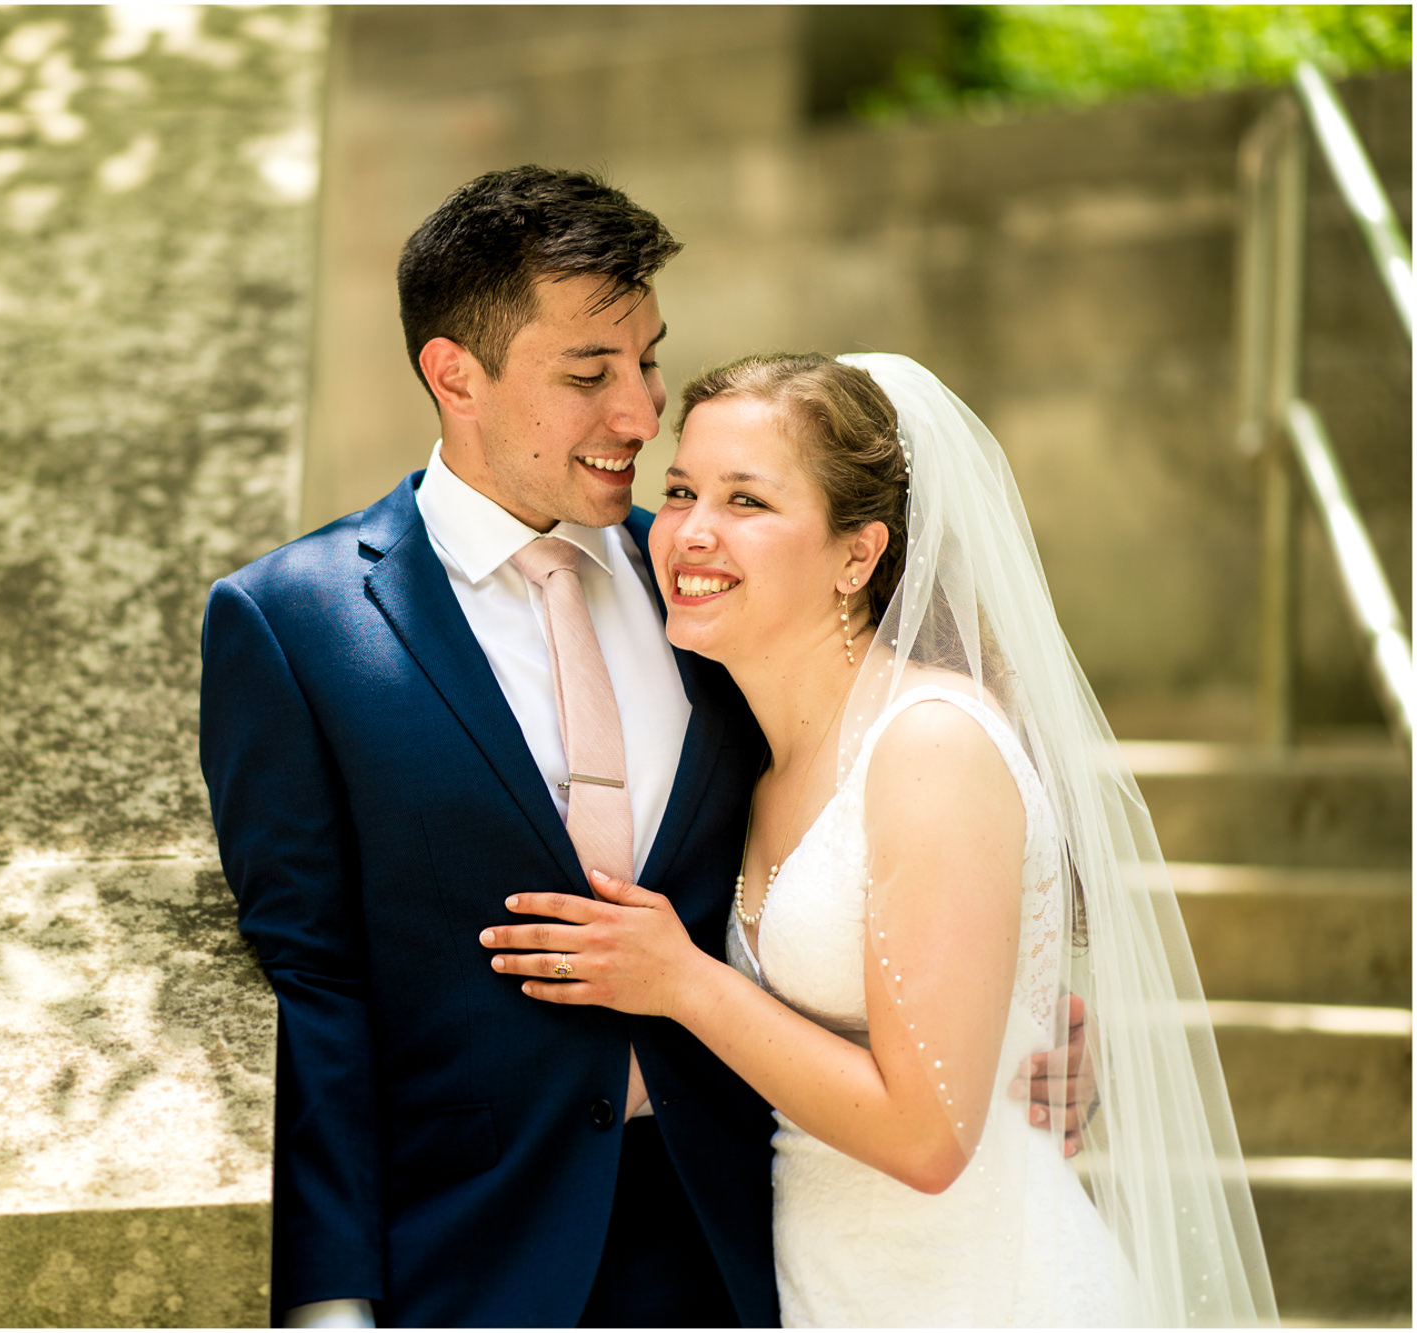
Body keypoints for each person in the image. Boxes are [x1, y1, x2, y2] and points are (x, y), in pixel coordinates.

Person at [492, 351, 1274, 1325]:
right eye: (683, 488)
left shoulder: (929, 743)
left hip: (978, 1290)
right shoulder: (750, 757)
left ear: (857, 555)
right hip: (825, 1282)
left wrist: (680, 980)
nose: (689, 531)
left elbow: (927, 1134)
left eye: (746, 501)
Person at [200, 165, 777, 1328]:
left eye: (649, 359)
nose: (640, 413)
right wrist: (327, 1298)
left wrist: (1015, 1016)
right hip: (471, 1259)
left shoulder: (712, 579)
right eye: (588, 373)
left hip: (749, 1238)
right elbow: (314, 980)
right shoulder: (294, 622)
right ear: (453, 373)